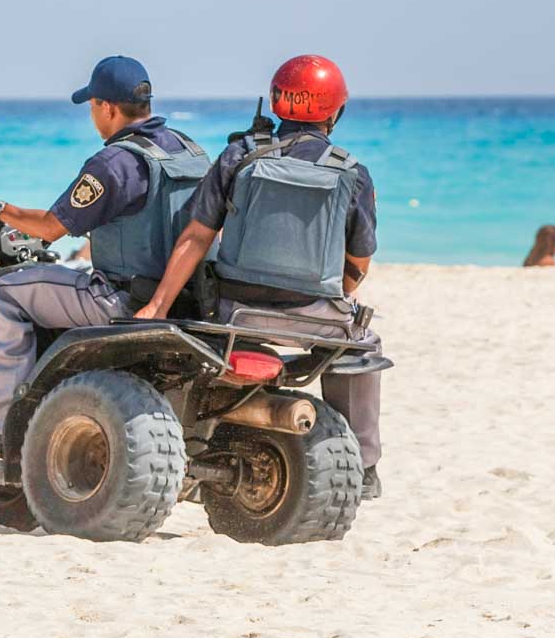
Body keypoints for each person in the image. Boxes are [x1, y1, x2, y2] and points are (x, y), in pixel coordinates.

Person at [134, 54, 386, 499]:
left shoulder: (240, 155)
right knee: (364, 346)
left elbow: (195, 236)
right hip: (319, 315)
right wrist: (332, 294)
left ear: (276, 103)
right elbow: (359, 265)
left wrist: (156, 306)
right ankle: (363, 468)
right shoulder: (353, 173)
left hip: (235, 309)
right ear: (336, 112)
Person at [0, 56, 210, 458]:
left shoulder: (115, 163)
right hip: (183, 299)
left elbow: (50, 227)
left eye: (92, 106)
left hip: (120, 299)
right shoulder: (190, 151)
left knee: (3, 293)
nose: (93, 115)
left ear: (107, 108)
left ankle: (2, 432)